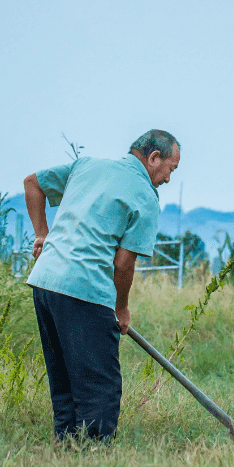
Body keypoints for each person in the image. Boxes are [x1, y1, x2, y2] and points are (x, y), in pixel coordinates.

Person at [24, 129, 180, 443]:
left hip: (45, 282)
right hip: (85, 288)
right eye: (170, 169)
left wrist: (42, 234)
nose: (167, 179)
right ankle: (93, 458)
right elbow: (123, 264)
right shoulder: (146, 196)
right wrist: (120, 307)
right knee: (100, 385)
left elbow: (33, 184)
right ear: (153, 158)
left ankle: (67, 451)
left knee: (65, 380)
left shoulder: (88, 165)